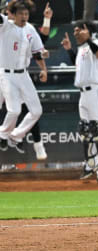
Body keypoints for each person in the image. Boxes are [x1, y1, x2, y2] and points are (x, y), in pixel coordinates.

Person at [61, 21, 98, 183]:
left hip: (96, 90)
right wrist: (70, 50)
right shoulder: (82, 48)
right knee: (85, 130)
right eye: (75, 30)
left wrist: (89, 38)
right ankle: (91, 165)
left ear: (88, 31)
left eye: (80, 30)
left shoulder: (95, 43)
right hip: (84, 93)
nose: (76, 32)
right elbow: (80, 67)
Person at [0, 2, 51, 160]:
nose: (24, 16)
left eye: (26, 14)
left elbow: (37, 52)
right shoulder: (4, 25)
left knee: (37, 110)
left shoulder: (30, 29)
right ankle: (3, 135)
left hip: (24, 74)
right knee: (14, 110)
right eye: (21, 13)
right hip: (6, 74)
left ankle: (15, 136)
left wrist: (43, 68)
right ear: (12, 14)